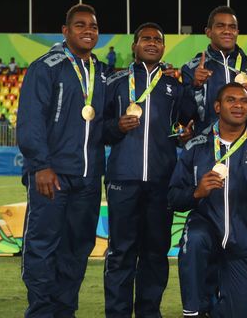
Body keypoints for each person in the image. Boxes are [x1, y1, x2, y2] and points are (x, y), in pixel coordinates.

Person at [17, 3, 107, 317]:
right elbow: (30, 121)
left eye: (93, 26)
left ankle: (64, 310)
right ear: (65, 31)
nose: (88, 31)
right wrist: (40, 165)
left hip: (88, 178)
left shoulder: (100, 71)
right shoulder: (46, 66)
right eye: (80, 25)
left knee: (77, 249)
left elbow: (100, 126)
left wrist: (120, 126)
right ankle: (41, 311)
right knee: (43, 247)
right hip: (52, 176)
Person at [102, 23, 194, 318]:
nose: (152, 43)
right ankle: (117, 313)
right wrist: (116, 126)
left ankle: (148, 312)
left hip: (160, 180)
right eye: (146, 39)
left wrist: (184, 135)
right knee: (120, 253)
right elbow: (97, 129)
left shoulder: (173, 86)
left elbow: (187, 121)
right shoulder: (115, 81)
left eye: (158, 39)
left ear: (164, 47)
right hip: (122, 180)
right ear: (134, 45)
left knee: (155, 254)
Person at [169, 83, 247, 317]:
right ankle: (192, 311)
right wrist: (196, 192)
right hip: (204, 237)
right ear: (217, 106)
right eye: (231, 100)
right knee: (196, 237)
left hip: (243, 244)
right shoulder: (196, 146)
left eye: (244, 101)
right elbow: (172, 198)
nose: (239, 105)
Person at [181, 6, 247, 132]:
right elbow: (184, 116)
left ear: (237, 32)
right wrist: (195, 87)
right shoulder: (191, 69)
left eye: (232, 27)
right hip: (208, 146)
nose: (227, 31)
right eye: (220, 26)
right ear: (208, 32)